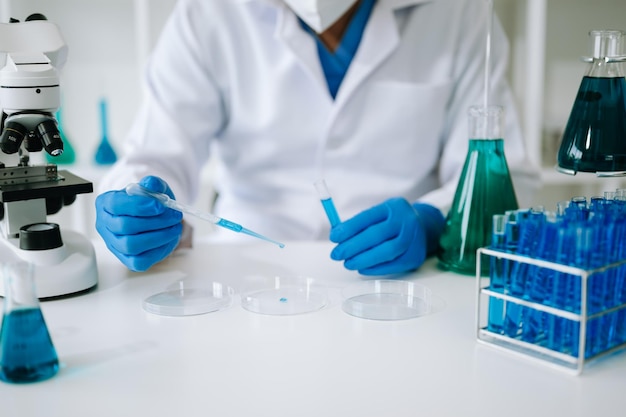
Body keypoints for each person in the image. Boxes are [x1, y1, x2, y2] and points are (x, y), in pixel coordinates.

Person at [95, 0, 538, 274]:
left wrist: (433, 222)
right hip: (248, 271)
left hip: (403, 279)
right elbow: (156, 152)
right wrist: (136, 205)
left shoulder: (459, 10)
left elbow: (504, 177)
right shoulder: (209, 11)